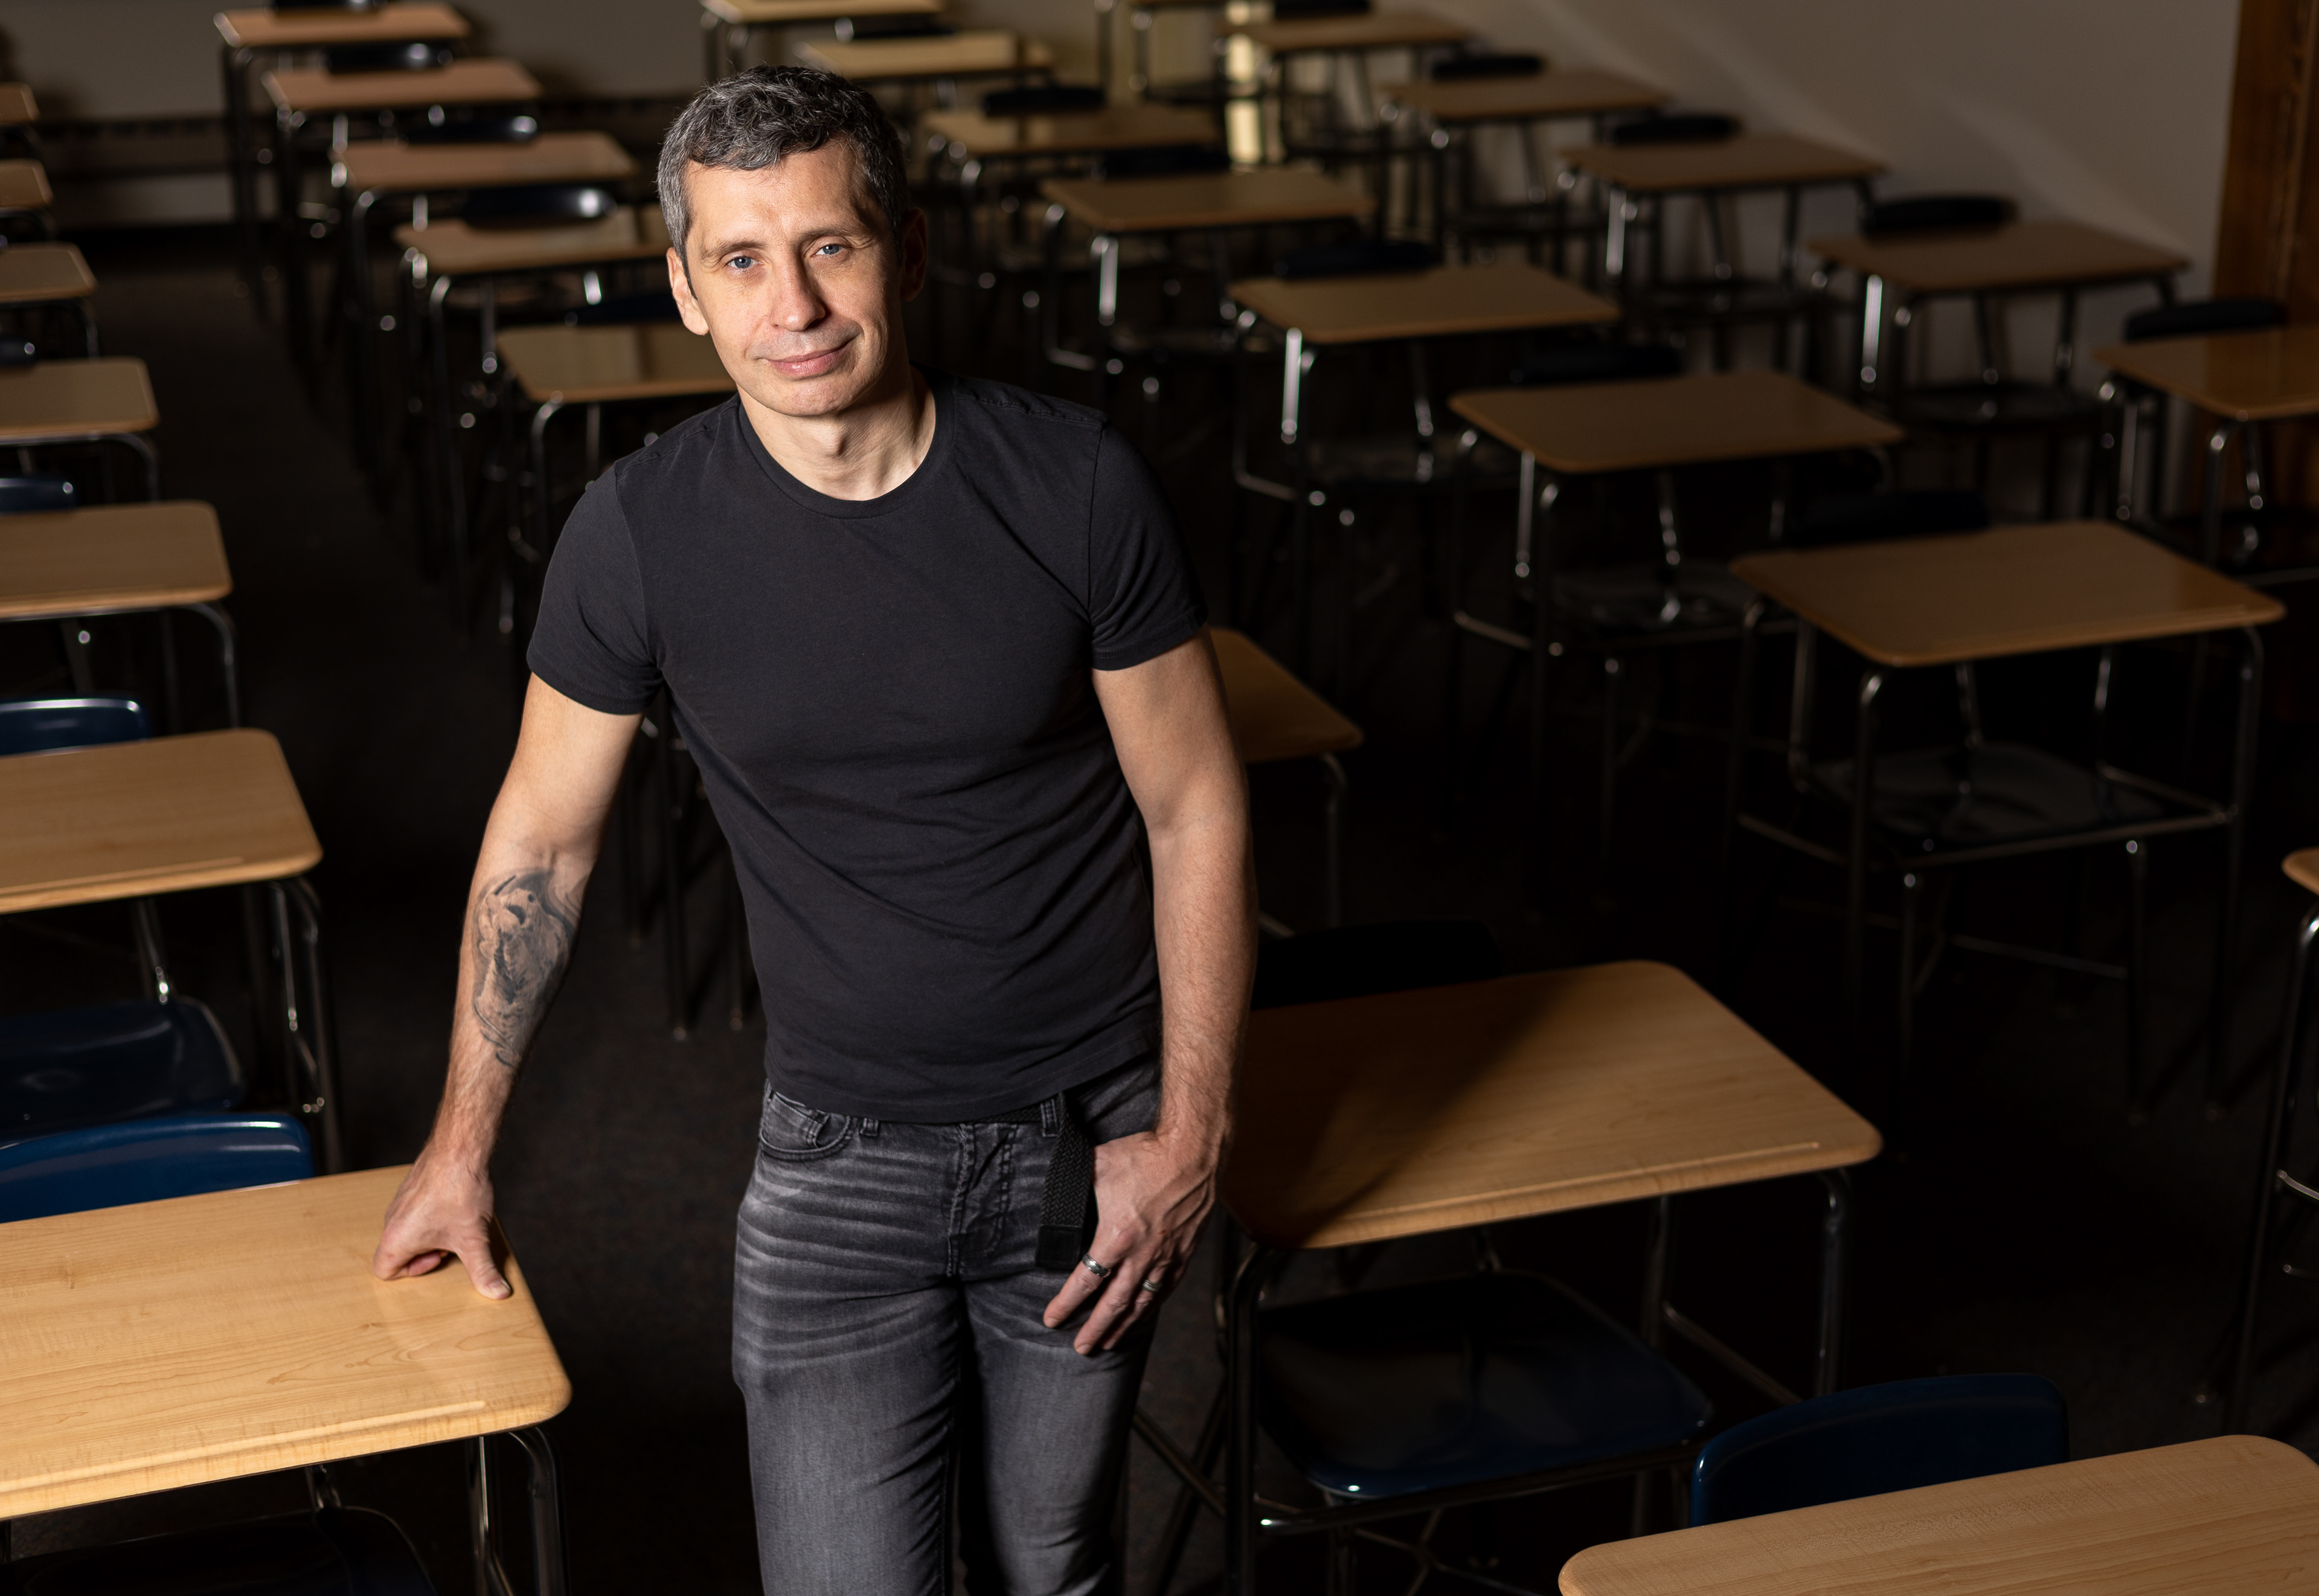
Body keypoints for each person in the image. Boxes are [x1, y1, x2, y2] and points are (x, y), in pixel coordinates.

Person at [369, 65, 1256, 1596]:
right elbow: (543, 843)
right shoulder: (640, 534)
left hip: (1085, 1138)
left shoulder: (1077, 484)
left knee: (1057, 1569)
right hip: (839, 1160)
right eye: (740, 259)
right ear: (686, 288)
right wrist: (460, 1146)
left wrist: (1189, 1135)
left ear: (904, 252)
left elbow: (1196, 805)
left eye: (831, 247)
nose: (794, 302)